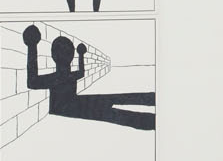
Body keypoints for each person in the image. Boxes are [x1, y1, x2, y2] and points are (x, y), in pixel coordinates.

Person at [22, 24, 154, 130]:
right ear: (71, 56)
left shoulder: (55, 78)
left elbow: (32, 82)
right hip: (70, 106)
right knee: (110, 109)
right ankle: (150, 105)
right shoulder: (69, 76)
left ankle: (150, 115)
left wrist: (32, 46)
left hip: (65, 107)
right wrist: (81, 55)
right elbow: (81, 72)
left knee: (110, 109)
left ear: (53, 56)